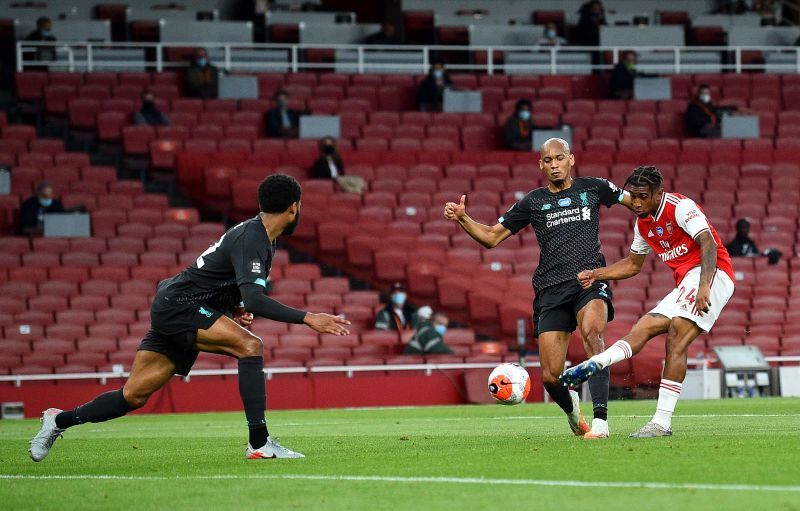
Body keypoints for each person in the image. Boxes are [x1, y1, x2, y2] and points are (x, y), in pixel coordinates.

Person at [29, 174, 351, 462]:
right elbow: (255, 298)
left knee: (133, 396)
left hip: (178, 304)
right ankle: (259, 443)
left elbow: (223, 283)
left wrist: (232, 308)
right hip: (180, 304)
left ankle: (58, 421)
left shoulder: (261, 237)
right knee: (250, 346)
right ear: (294, 207)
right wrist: (309, 317)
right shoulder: (253, 237)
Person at [444, 138, 636, 440]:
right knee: (550, 376)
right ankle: (572, 409)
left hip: (588, 280)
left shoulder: (594, 187)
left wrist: (661, 219)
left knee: (594, 335)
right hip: (551, 289)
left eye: (560, 158)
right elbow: (492, 238)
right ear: (541, 165)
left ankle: (601, 421)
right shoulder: (533, 202)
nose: (555, 164)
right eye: (548, 160)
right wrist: (463, 219)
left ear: (571, 159)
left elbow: (636, 203)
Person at [560, 166, 736, 438]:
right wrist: (596, 274)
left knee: (677, 334)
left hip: (713, 273)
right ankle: (597, 363)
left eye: (642, 196)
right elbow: (632, 265)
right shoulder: (643, 224)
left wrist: (704, 286)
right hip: (686, 282)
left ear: (658, 194)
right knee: (643, 326)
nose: (636, 202)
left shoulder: (680, 206)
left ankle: (662, 422)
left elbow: (708, 243)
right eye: (632, 196)